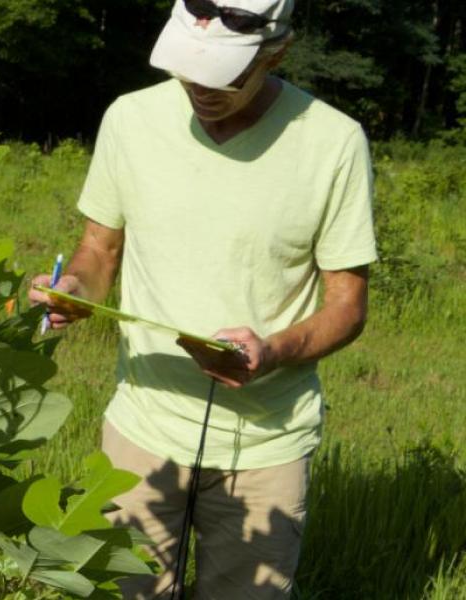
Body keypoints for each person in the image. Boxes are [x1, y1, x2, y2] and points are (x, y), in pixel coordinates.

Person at [28, 0, 377, 597]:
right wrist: (72, 291)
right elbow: (98, 251)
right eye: (189, 67)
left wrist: (271, 350)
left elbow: (348, 304)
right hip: (141, 428)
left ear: (278, 51)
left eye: (224, 73)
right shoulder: (130, 119)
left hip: (269, 442)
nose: (202, 87)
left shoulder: (334, 142)